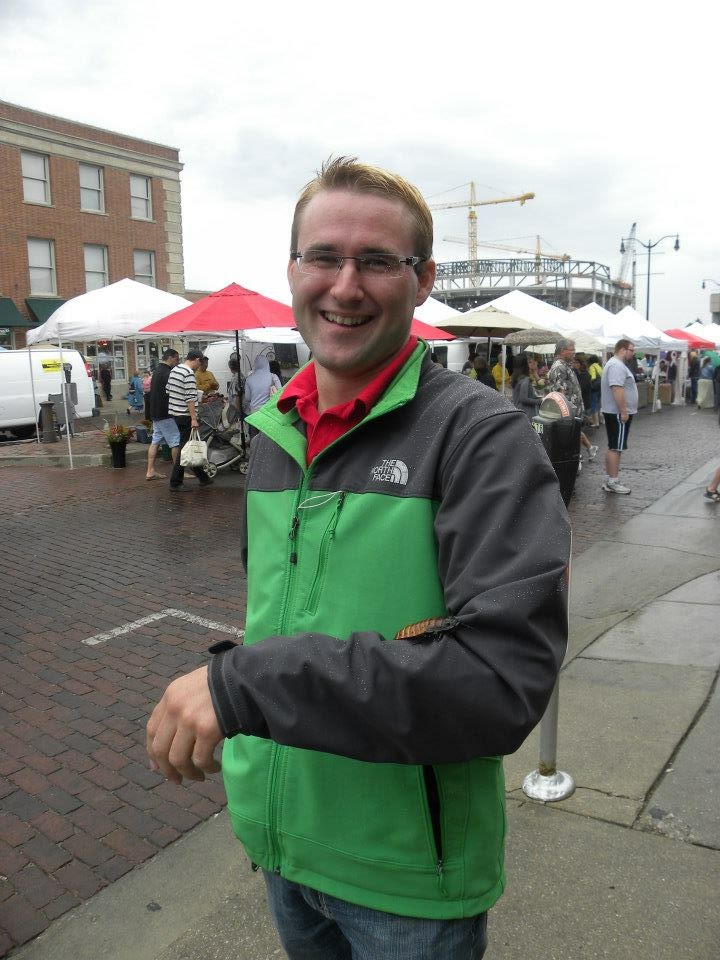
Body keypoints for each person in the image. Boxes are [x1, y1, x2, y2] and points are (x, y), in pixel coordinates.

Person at [147, 157, 570, 960]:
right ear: (293, 271)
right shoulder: (275, 430)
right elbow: (286, 617)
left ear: (423, 279)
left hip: (408, 877)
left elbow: (502, 683)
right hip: (281, 840)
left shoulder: (479, 436)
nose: (345, 285)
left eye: (378, 261)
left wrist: (242, 685)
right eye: (324, 257)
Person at [166, 349, 212, 493]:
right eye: (201, 362)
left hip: (175, 413)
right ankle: (175, 482)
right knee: (184, 449)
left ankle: (203, 477)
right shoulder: (189, 374)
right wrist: (193, 418)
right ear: (197, 360)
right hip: (185, 415)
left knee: (187, 445)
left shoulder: (175, 370)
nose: (200, 365)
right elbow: (190, 399)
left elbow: (169, 390)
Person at [548, 339, 596, 465]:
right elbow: (560, 392)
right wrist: (566, 415)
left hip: (573, 411)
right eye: (572, 350)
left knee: (574, 436)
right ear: (562, 350)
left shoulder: (565, 365)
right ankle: (574, 462)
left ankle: (576, 459)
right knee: (571, 438)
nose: (574, 352)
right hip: (568, 413)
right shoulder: (559, 367)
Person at [600, 338, 638, 495]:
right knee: (616, 447)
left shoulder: (615, 364)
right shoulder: (616, 365)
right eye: (632, 350)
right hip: (617, 412)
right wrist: (623, 411)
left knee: (613, 446)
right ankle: (613, 481)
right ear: (623, 349)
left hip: (613, 411)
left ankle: (610, 480)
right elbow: (617, 388)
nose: (633, 353)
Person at [145, 349, 180, 480]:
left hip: (155, 412)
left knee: (155, 441)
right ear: (170, 358)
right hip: (165, 413)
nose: (177, 362)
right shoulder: (168, 373)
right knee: (175, 441)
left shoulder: (157, 371)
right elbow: (173, 392)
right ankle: (178, 473)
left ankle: (150, 470)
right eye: (176, 359)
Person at [242, 354, 281, 438]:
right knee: (267, 438)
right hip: (268, 413)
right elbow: (280, 393)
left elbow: (247, 398)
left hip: (254, 413)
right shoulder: (273, 376)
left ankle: (254, 451)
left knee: (254, 437)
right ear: (267, 364)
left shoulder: (249, 378)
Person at [511, 353, 541, 418]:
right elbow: (523, 399)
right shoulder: (525, 379)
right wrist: (540, 401)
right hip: (527, 414)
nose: (531, 363)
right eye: (529, 362)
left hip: (519, 412)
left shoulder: (515, 378)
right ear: (525, 365)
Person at [587, 354, 603, 428]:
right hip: (600, 387)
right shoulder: (599, 366)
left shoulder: (592, 367)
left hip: (594, 388)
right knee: (599, 404)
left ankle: (596, 423)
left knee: (594, 404)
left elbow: (593, 377)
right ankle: (600, 420)